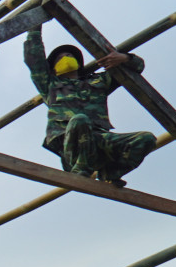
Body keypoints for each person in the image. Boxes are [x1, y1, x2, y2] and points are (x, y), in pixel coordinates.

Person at [24, 25, 155, 187]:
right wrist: (34, 29)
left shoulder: (97, 82)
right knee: (80, 120)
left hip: (97, 141)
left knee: (146, 139)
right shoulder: (50, 84)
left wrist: (125, 58)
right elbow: (34, 59)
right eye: (59, 58)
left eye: (69, 55)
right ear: (53, 69)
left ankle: (111, 172)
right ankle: (80, 169)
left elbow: (137, 68)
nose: (65, 57)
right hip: (70, 145)